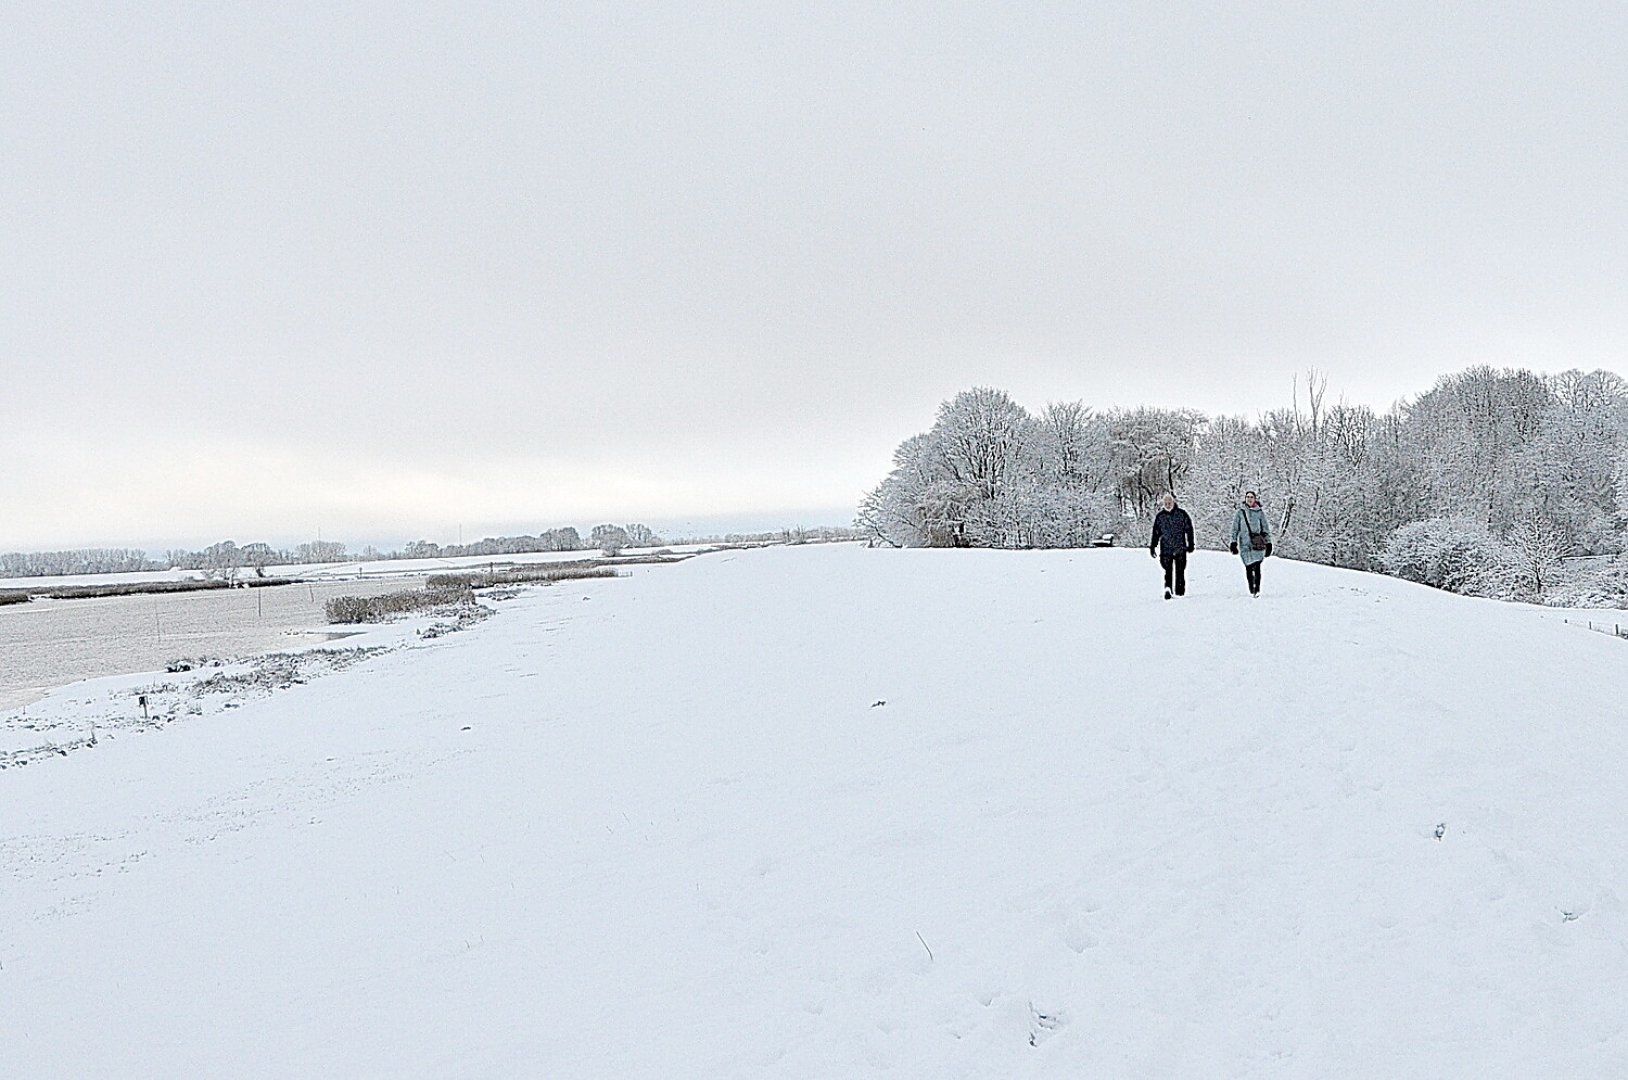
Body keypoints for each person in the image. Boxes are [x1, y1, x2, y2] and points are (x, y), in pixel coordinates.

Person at [1148, 492, 1195, 600]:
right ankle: (1168, 589)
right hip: (1166, 549)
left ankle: (1179, 593)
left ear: (1173, 502)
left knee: (1180, 572)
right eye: (1166, 502)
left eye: (1169, 502)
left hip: (1180, 548)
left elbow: (1189, 529)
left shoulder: (1182, 514)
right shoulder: (1160, 517)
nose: (1168, 504)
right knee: (1167, 571)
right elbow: (1156, 533)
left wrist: (1191, 543)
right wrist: (1153, 546)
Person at [1229, 490, 1274, 596]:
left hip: (1257, 543)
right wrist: (1233, 542)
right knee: (1248, 566)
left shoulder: (1260, 513)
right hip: (1245, 544)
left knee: (1257, 566)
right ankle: (1251, 589)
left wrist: (1268, 543)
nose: (1249, 499)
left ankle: (1257, 589)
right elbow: (1235, 529)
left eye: (1251, 497)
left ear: (1255, 499)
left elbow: (1265, 528)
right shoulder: (1240, 513)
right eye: (1247, 497)